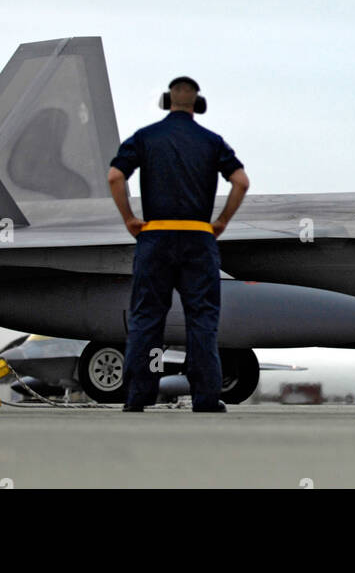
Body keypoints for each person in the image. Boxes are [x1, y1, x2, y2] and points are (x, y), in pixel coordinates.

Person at [107, 76, 250, 412]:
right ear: (197, 104)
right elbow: (241, 181)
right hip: (198, 238)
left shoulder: (145, 137)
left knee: (147, 316)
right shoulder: (212, 141)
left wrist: (129, 218)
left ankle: (137, 397)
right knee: (202, 317)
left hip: (155, 236)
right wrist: (221, 221)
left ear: (165, 101)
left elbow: (115, 176)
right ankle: (205, 397)